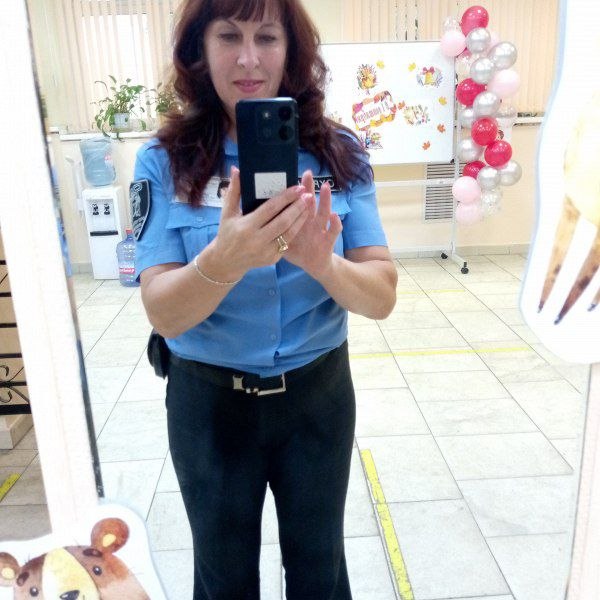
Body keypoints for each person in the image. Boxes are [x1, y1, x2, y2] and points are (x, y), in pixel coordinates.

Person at [133, 0, 397, 597]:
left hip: (318, 398)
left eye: (267, 37)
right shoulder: (164, 161)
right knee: (222, 577)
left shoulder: (340, 153)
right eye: (229, 36)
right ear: (200, 51)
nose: (249, 59)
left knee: (320, 571)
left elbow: (381, 296)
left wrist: (321, 263)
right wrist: (223, 261)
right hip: (208, 405)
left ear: (291, 50)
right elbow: (163, 312)